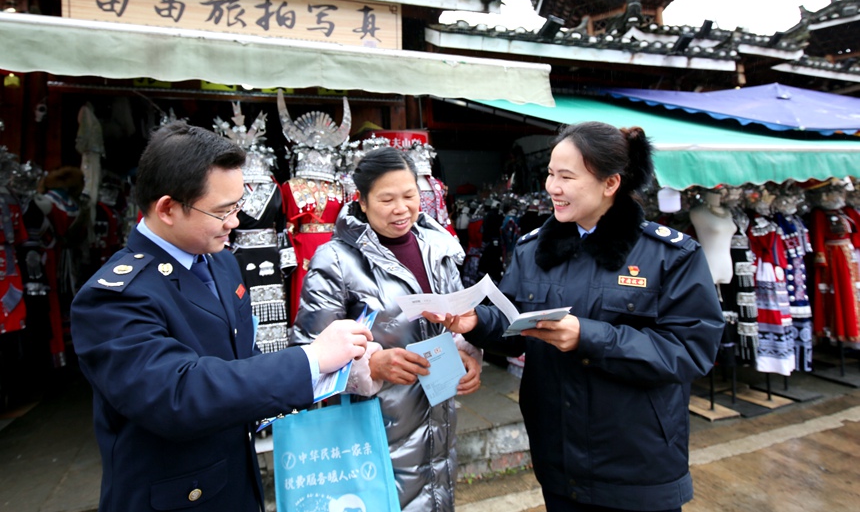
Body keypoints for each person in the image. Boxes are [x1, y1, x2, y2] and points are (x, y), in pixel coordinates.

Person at [70, 122, 372, 512]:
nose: (235, 222)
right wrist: (311, 359)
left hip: (235, 486)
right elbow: (179, 394)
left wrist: (336, 373)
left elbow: (242, 366)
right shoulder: (113, 297)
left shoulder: (221, 263)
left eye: (237, 206)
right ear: (167, 209)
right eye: (221, 211)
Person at [426, 122, 724, 512]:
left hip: (638, 464)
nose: (552, 187)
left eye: (567, 177)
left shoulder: (671, 255)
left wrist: (589, 336)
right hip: (558, 459)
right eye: (551, 174)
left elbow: (692, 350)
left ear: (610, 183)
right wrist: (478, 323)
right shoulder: (533, 250)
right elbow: (514, 327)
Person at [290, 146, 482, 512]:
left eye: (409, 196)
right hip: (373, 428)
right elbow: (308, 354)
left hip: (439, 422)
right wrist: (371, 367)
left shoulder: (439, 246)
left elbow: (456, 317)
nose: (401, 209)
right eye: (387, 199)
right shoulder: (336, 261)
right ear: (361, 202)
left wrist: (466, 352)